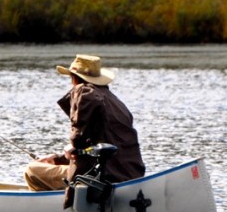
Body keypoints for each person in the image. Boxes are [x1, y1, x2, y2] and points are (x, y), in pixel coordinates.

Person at [25, 54, 145, 201]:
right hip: (129, 177)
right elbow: (96, 147)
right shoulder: (114, 101)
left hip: (102, 179)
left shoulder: (84, 91)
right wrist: (57, 159)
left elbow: (79, 141)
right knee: (44, 167)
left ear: (75, 78)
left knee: (32, 170)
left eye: (71, 78)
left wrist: (73, 146)